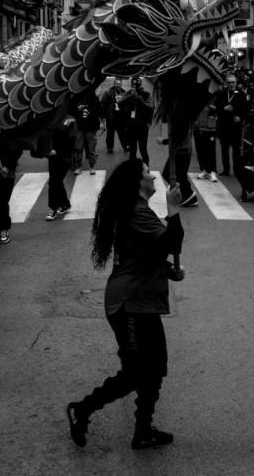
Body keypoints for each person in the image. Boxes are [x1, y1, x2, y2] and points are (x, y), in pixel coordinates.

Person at [67, 159, 184, 450]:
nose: (153, 177)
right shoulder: (136, 211)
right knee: (136, 371)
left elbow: (144, 252)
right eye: (147, 173)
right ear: (137, 183)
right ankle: (83, 408)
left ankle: (143, 430)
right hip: (129, 303)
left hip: (142, 302)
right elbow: (172, 243)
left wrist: (168, 270)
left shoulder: (138, 210)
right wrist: (173, 208)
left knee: (154, 367)